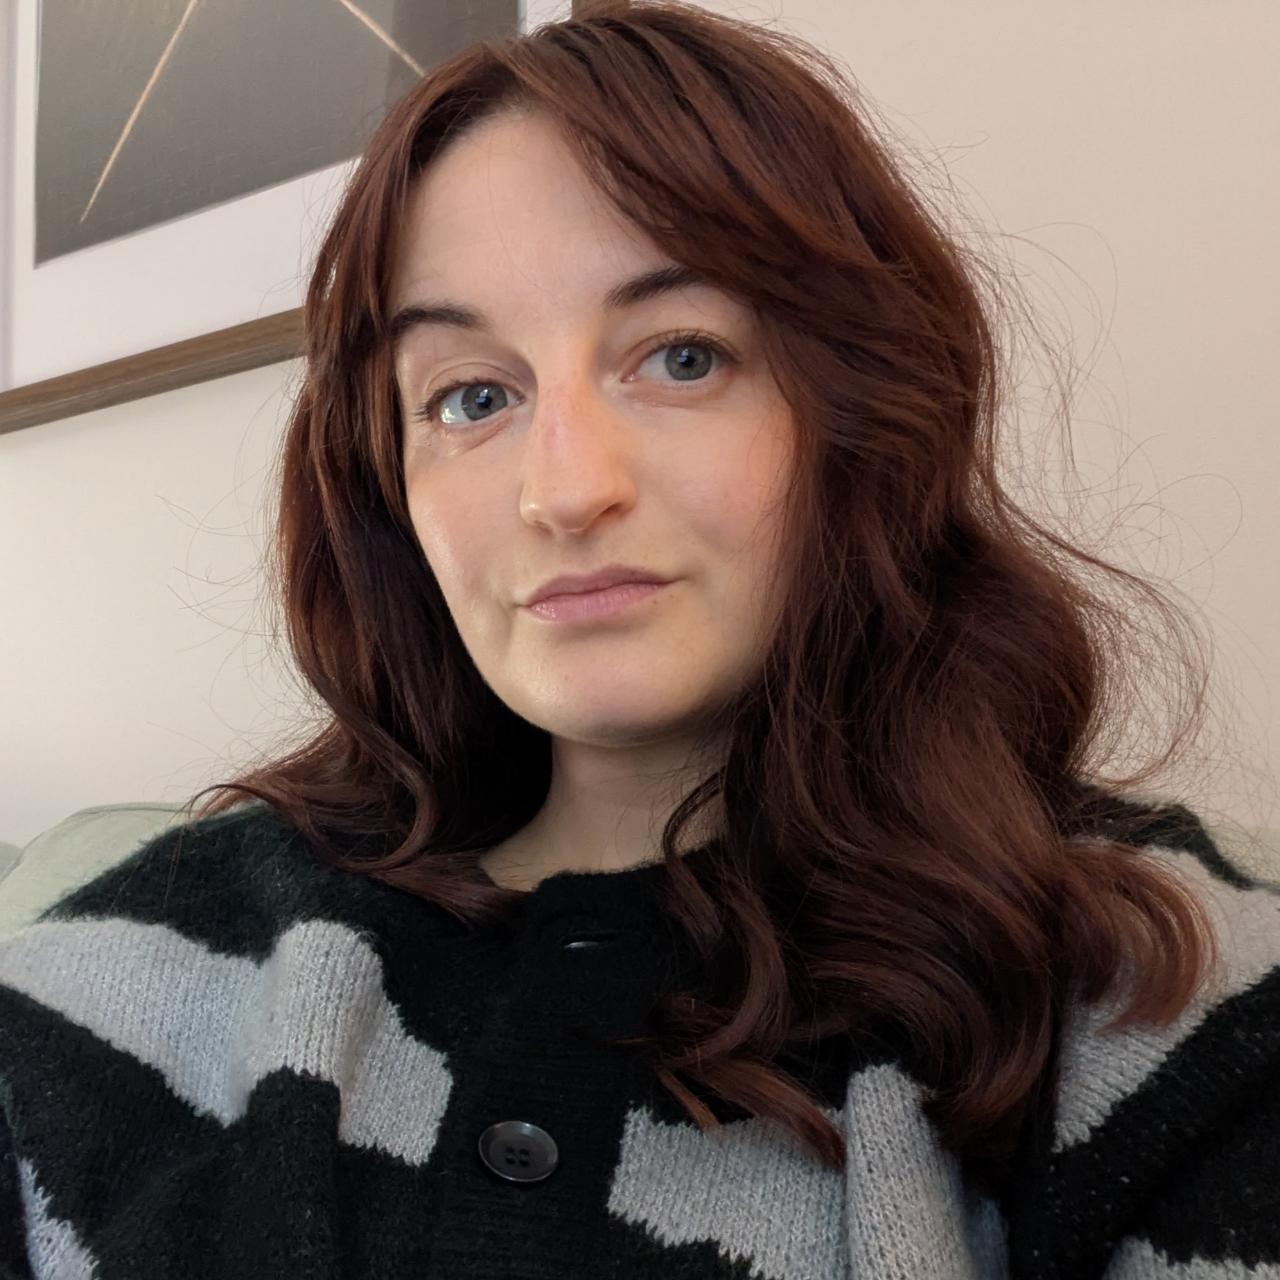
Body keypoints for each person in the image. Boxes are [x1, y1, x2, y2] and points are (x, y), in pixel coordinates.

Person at [1, 2, 1276, 1276]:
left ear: (860, 412)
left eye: (680, 356)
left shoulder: (1163, 994)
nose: (563, 488)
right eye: (473, 395)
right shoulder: (114, 971)